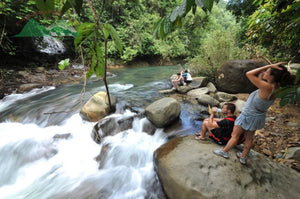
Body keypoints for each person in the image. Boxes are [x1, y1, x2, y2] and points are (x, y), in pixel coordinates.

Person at [213, 62, 295, 165]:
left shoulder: (267, 87)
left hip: (247, 115)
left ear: (272, 77)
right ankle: (243, 157)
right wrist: (263, 74)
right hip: (257, 117)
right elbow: (261, 91)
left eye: (267, 72)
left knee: (235, 135)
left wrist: (269, 65)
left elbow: (249, 74)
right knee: (249, 137)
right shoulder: (276, 88)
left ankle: (224, 152)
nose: (264, 72)